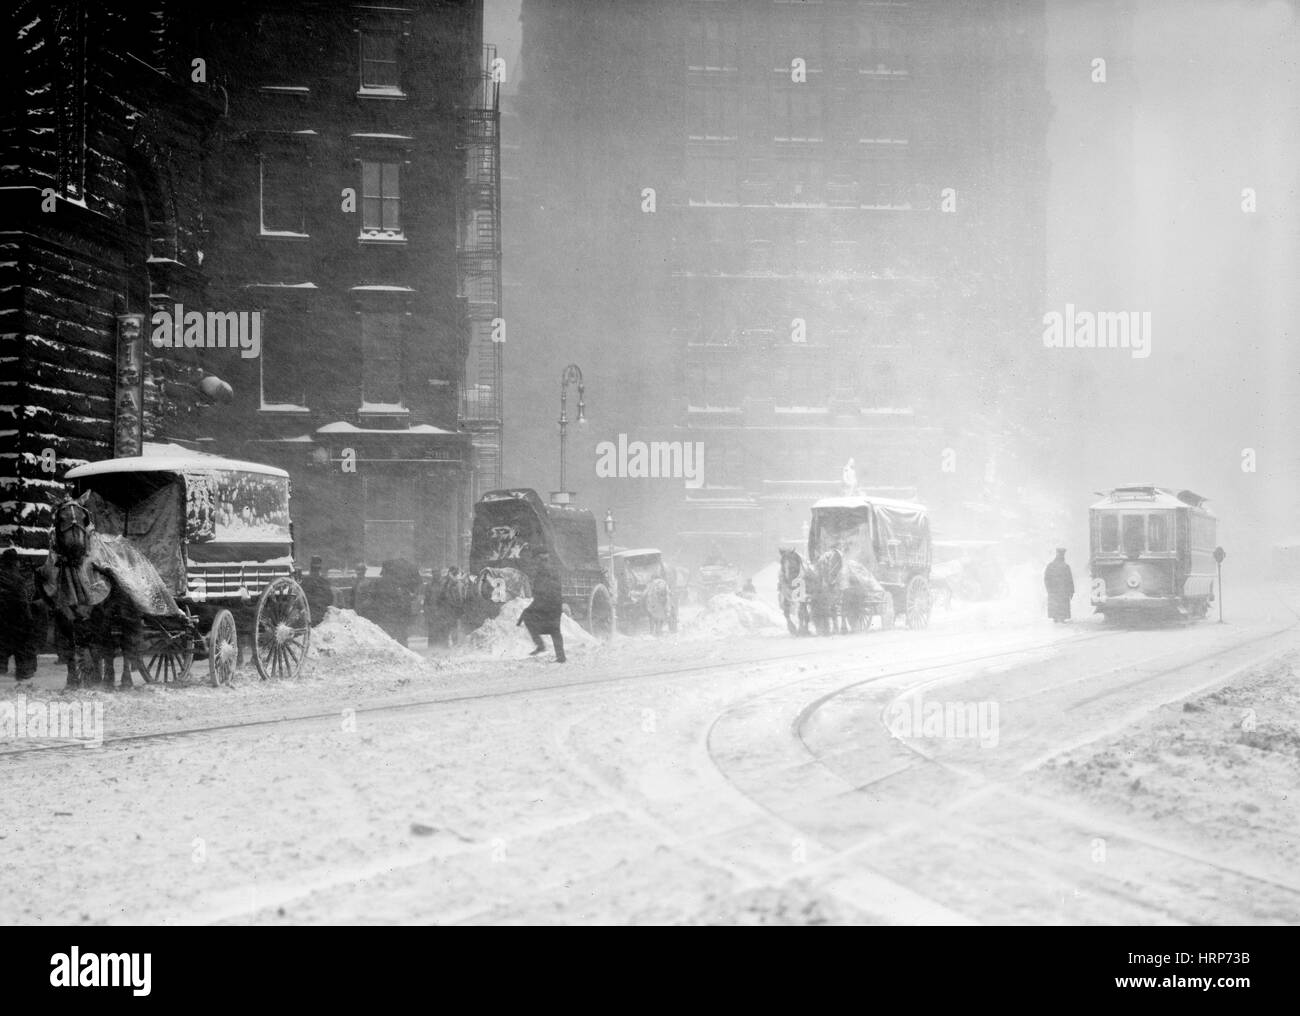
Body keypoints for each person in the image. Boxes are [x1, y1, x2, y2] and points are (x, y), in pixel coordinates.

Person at [518, 548, 565, 662]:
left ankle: (552, 652)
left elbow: (544, 591)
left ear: (540, 559)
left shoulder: (545, 570)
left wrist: (535, 605)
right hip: (552, 603)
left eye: (538, 559)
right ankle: (558, 655)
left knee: (553, 629)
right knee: (554, 630)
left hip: (549, 603)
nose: (536, 562)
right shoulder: (548, 569)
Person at [0, 549, 38, 681]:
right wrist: (29, 619)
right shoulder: (19, 579)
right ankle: (23, 672)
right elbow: (23, 602)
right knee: (22, 645)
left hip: (2, 618)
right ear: (15, 562)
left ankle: (2, 668)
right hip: (17, 618)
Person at [300, 556, 335, 627]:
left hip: (321, 613)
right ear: (311, 569)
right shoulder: (305, 581)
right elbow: (302, 598)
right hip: (310, 613)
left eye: (317, 569)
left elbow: (330, 599)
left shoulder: (324, 582)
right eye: (314, 569)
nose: (315, 572)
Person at [1044, 548, 1074, 623]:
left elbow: (1046, 579)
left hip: (1054, 591)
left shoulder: (1050, 565)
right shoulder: (1065, 566)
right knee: (1062, 606)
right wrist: (1071, 591)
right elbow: (1070, 580)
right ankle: (1061, 619)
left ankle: (1056, 619)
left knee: (1055, 606)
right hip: (1063, 591)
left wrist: (1049, 589)